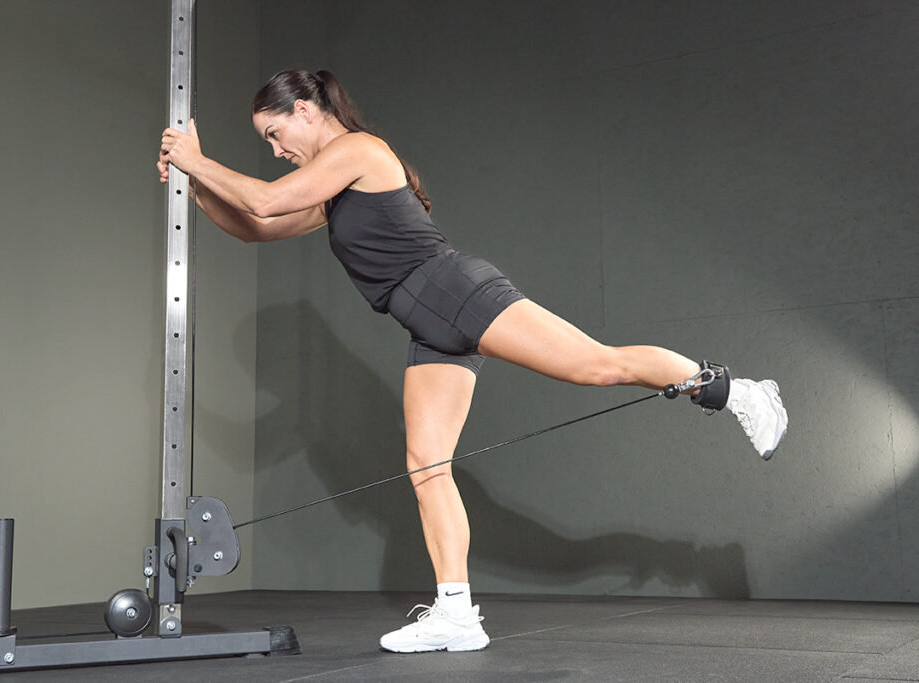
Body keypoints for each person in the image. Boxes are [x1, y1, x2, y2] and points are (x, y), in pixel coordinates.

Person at [157, 69, 788, 653]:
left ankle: (739, 392)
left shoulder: (357, 150)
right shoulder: (330, 190)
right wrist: (196, 184)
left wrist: (196, 159)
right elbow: (256, 226)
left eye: (274, 134)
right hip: (428, 323)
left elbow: (265, 200)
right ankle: (456, 614)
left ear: (303, 110)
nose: (275, 149)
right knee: (426, 465)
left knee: (598, 366)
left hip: (453, 292)